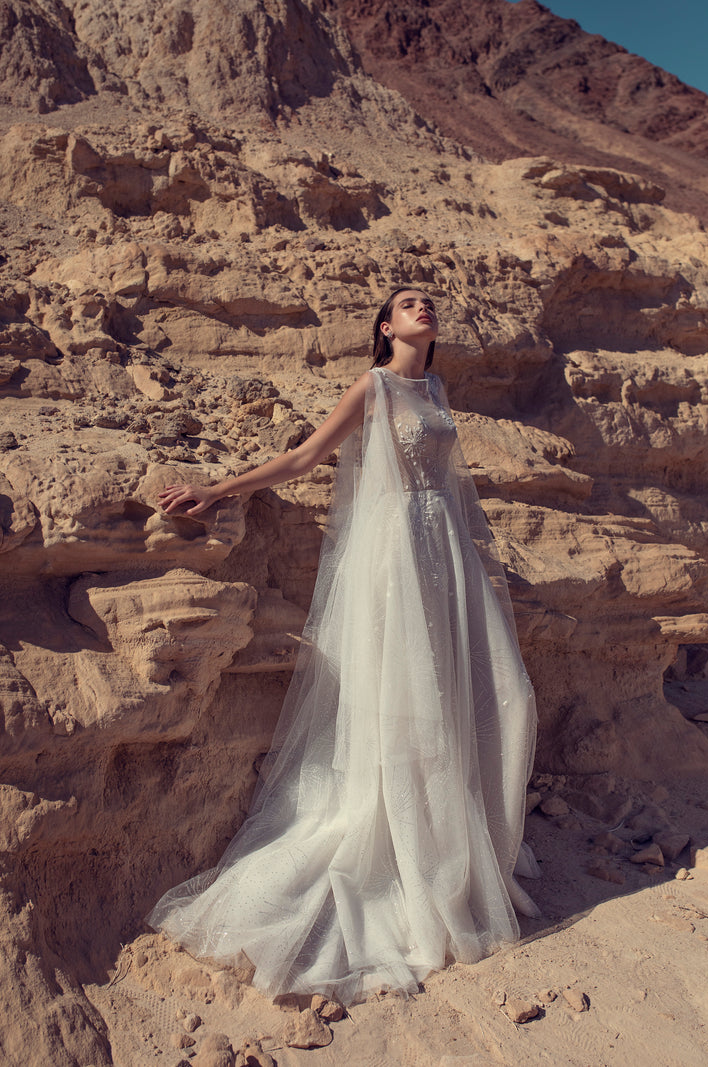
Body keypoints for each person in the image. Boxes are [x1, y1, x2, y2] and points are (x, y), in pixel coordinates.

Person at [147, 288, 539, 1006]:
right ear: (385, 326)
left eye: (430, 301)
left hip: (443, 552)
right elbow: (304, 458)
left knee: (503, 694)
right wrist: (219, 490)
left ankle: (460, 849)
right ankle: (405, 858)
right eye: (409, 303)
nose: (426, 307)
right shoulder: (376, 384)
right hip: (394, 557)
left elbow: (448, 485)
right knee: (411, 703)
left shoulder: (435, 386)